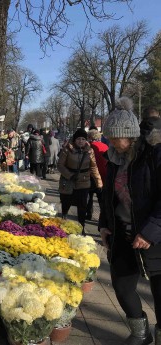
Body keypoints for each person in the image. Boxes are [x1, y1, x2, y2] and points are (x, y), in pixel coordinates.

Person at [99, 97, 161, 345]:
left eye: (116, 138)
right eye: (109, 138)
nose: (112, 143)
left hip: (154, 237)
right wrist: (104, 223)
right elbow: (108, 195)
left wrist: (149, 233)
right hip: (123, 233)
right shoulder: (114, 158)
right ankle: (140, 332)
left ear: (131, 136)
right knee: (122, 287)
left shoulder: (153, 156)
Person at [57, 128, 102, 233]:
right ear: (74, 139)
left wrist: (99, 183)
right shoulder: (67, 149)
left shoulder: (89, 151)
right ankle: (63, 222)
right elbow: (60, 165)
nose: (81, 141)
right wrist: (69, 175)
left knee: (82, 206)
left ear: (86, 140)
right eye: (78, 139)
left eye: (83, 139)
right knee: (66, 202)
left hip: (84, 182)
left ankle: (81, 228)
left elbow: (93, 167)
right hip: (68, 181)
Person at [86, 129, 108, 220]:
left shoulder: (89, 147)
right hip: (103, 176)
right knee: (101, 199)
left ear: (90, 137)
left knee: (89, 197)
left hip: (91, 176)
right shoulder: (105, 146)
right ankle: (103, 218)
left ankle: (89, 214)